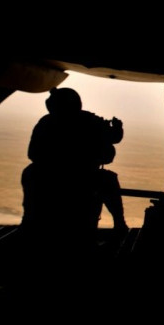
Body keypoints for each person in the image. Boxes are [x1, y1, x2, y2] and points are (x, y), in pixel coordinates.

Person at [20, 87, 128, 253]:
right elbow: (114, 139)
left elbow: (32, 154)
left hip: (50, 178)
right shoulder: (89, 121)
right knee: (108, 180)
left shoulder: (46, 122)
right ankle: (119, 224)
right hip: (83, 179)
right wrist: (117, 127)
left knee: (30, 172)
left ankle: (29, 223)